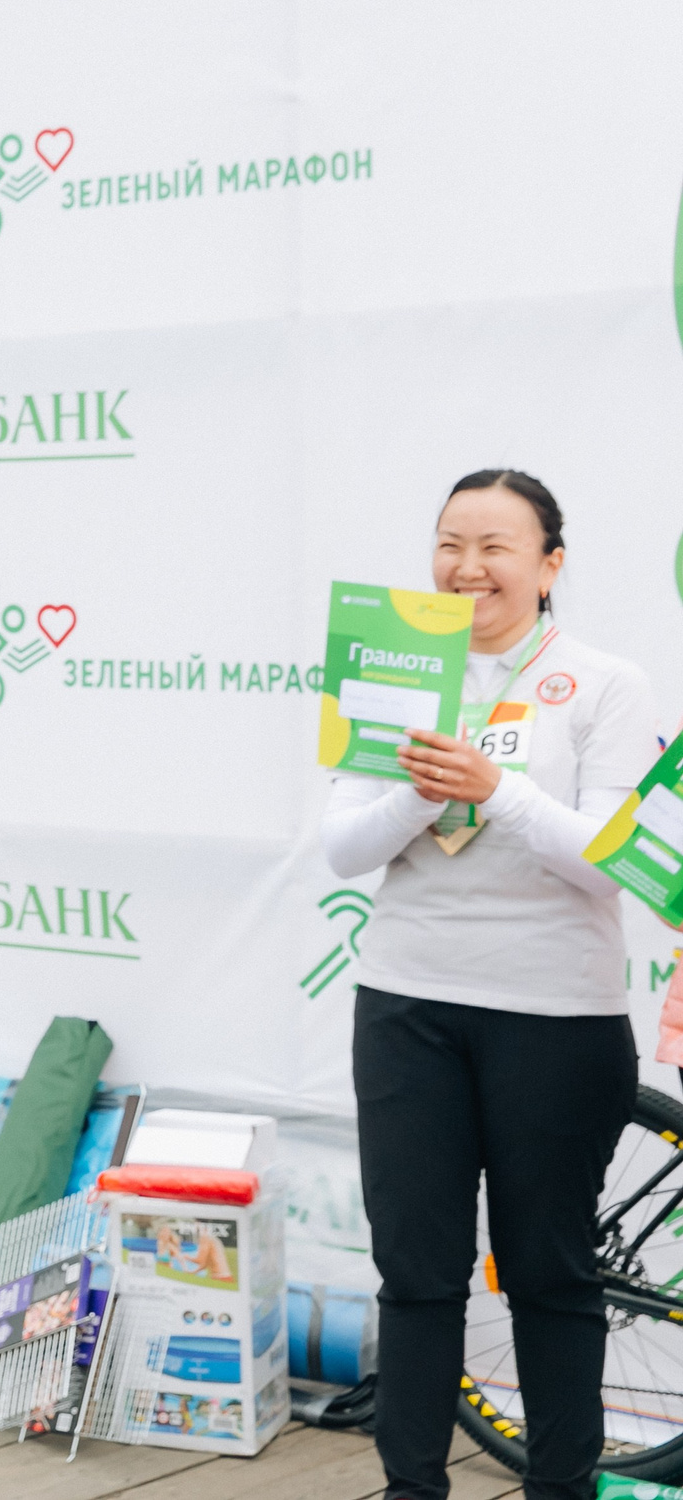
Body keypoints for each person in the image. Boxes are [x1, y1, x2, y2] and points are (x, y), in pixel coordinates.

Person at [321, 470, 654, 1500]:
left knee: (549, 1276)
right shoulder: (393, 669)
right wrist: (421, 798)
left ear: (549, 565)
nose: (467, 568)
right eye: (448, 543)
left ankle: (559, 1491)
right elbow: (341, 847)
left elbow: (610, 859)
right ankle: (408, 1489)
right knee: (415, 1276)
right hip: (408, 1006)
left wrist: (495, 788)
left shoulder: (602, 682)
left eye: (495, 547)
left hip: (555, 1018)